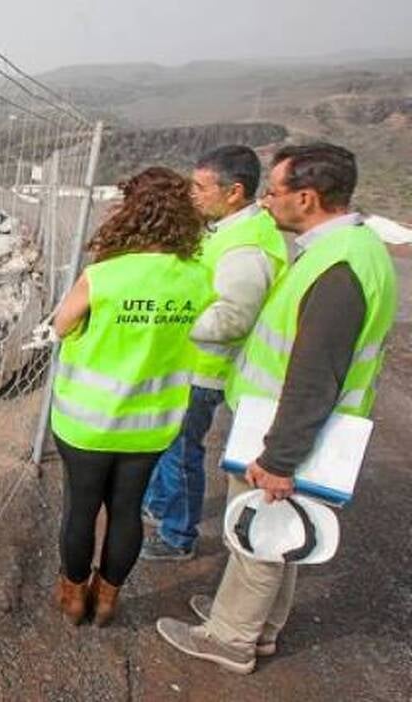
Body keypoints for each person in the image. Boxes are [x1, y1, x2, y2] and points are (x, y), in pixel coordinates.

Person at [157, 143, 398, 673]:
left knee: (257, 534)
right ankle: (258, 626)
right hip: (288, 421)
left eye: (275, 191)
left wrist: (280, 457)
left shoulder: (340, 269)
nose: (267, 202)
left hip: (286, 427)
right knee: (281, 529)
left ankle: (231, 638)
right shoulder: (350, 250)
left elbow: (315, 374)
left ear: (307, 198)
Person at [49, 167, 213, 626]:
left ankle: (73, 597)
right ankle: (107, 600)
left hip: (87, 421)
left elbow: (62, 326)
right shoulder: (198, 279)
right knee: (127, 510)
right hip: (152, 424)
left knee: (80, 508)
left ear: (129, 212)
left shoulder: (103, 276)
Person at [141, 146, 288, 560]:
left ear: (234, 191)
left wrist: (168, 319)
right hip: (187, 363)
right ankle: (160, 505)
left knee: (182, 452)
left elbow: (232, 319)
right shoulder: (226, 231)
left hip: (202, 371)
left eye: (201, 187)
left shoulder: (247, 246)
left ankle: (178, 536)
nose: (193, 194)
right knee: (168, 446)